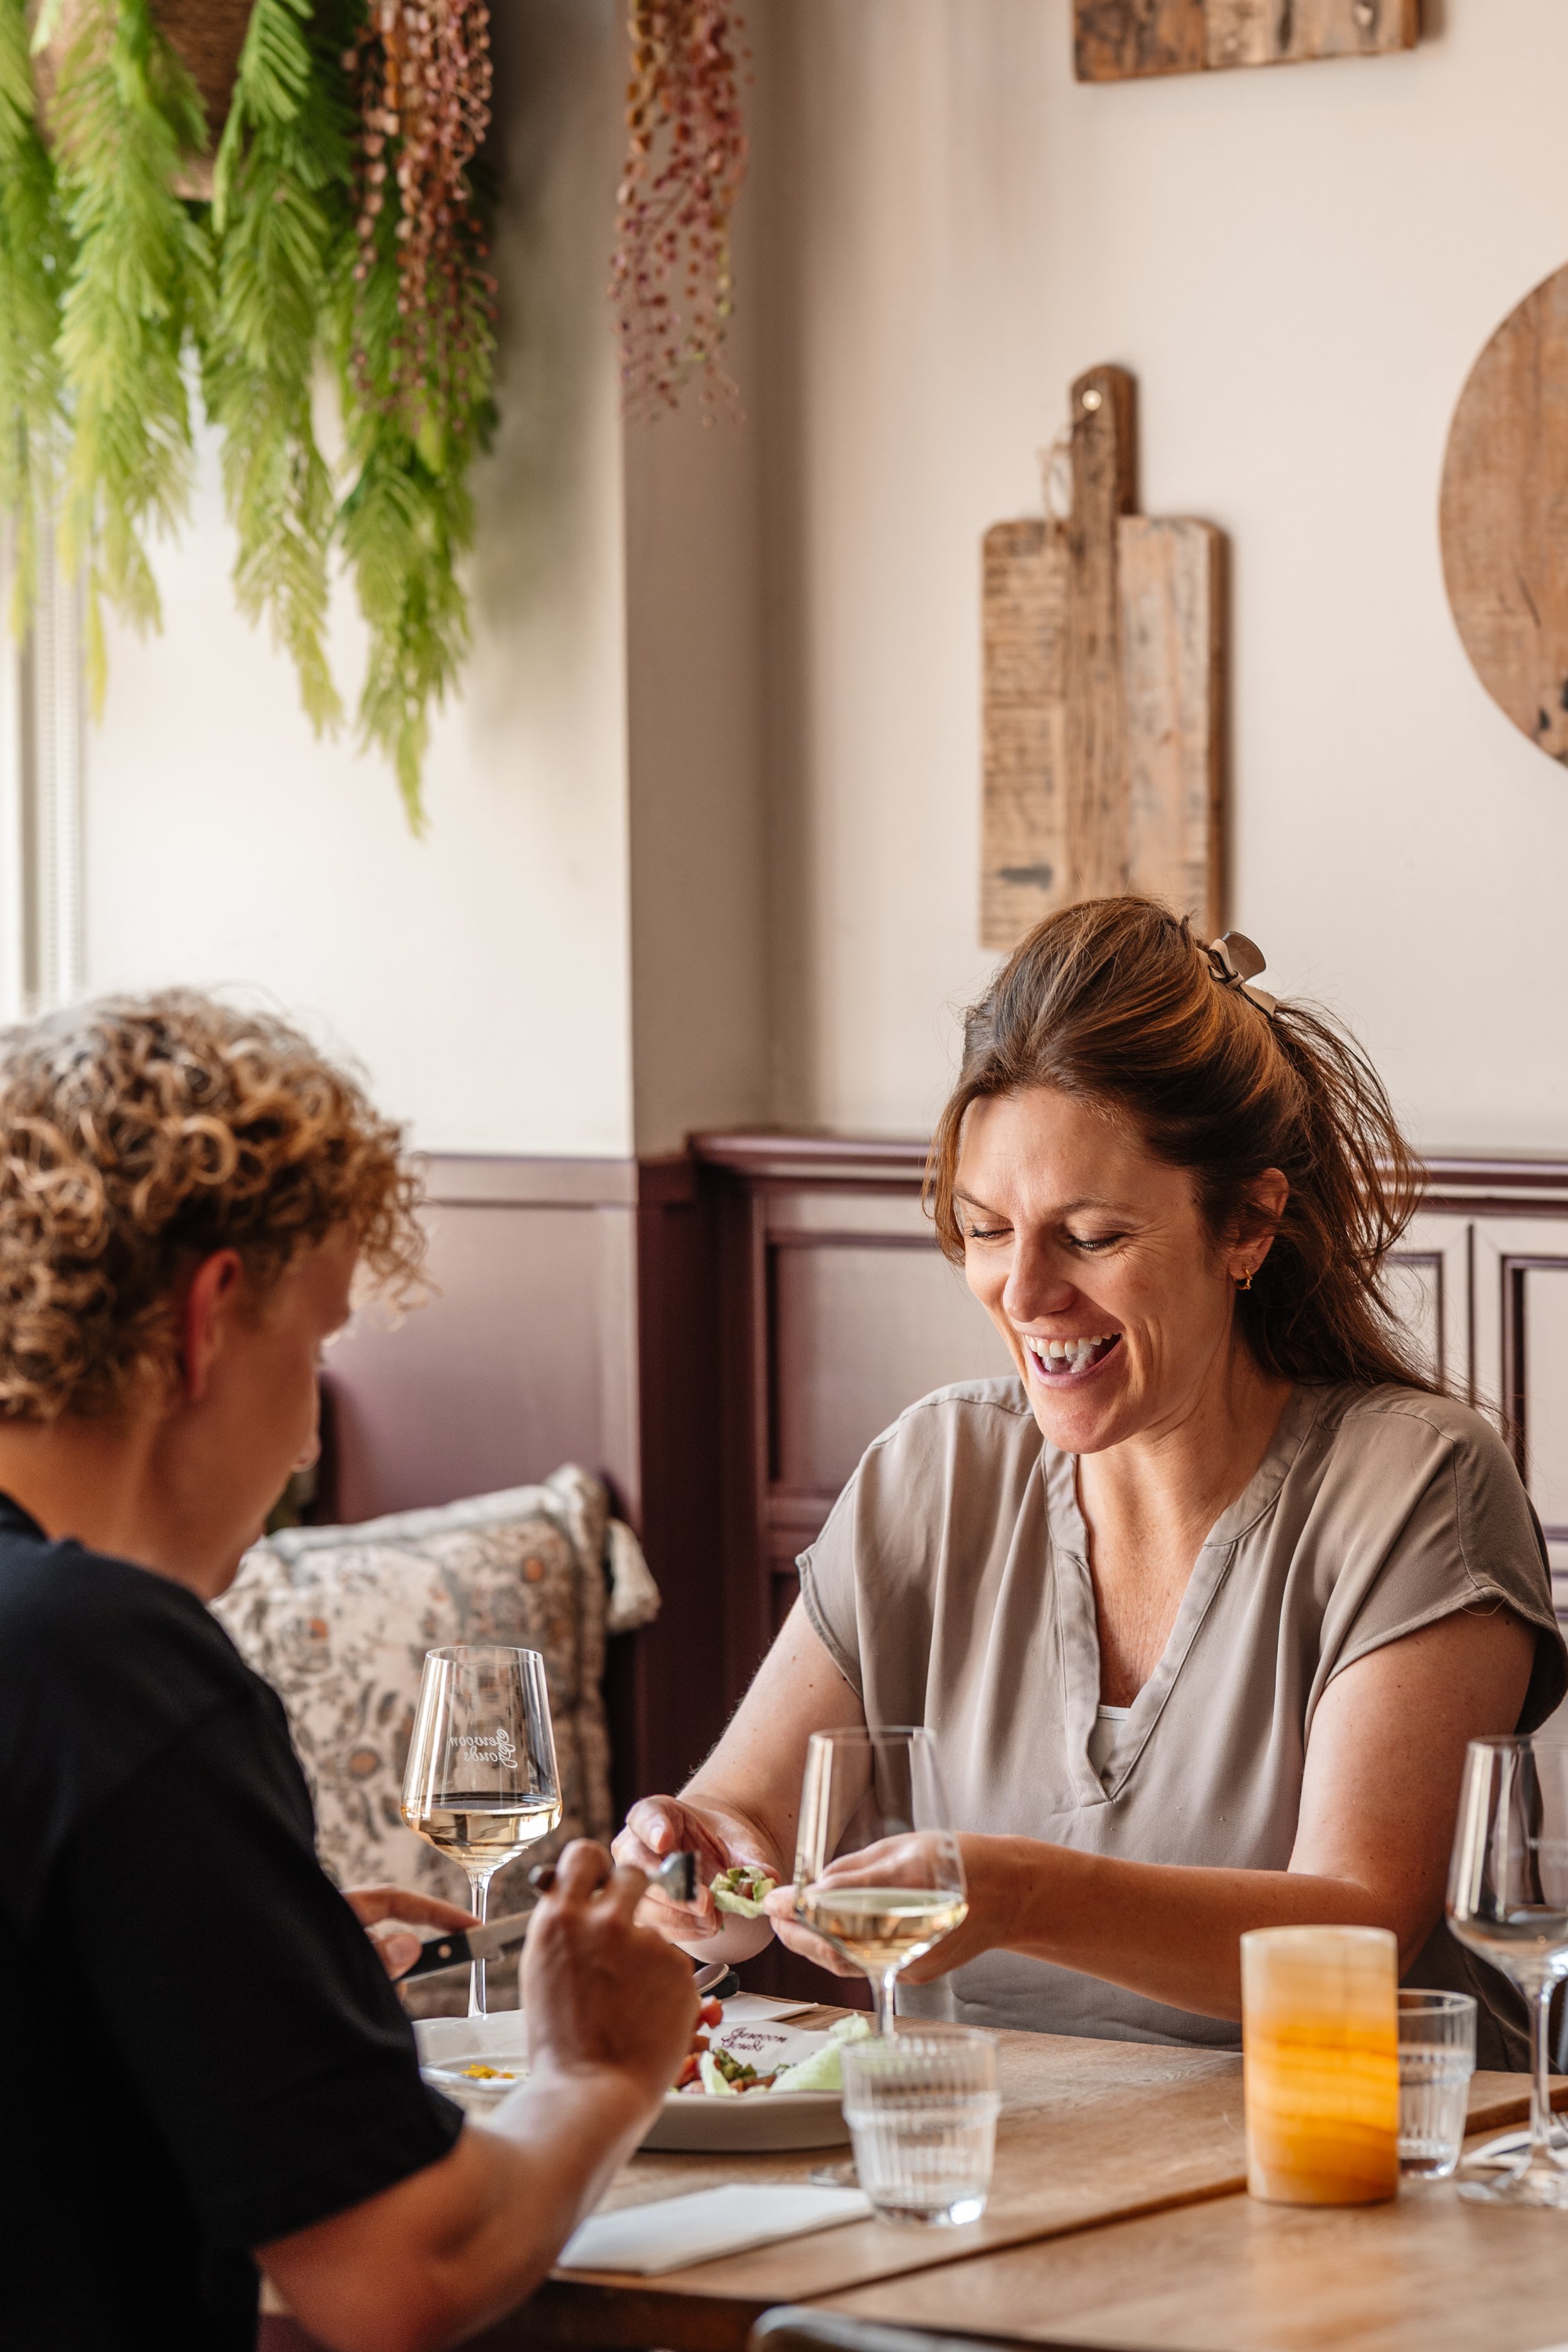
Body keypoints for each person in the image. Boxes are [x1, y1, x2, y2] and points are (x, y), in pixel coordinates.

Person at [617, 898, 1566, 2066]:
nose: (1023, 1293)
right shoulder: (934, 1472)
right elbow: (739, 1813)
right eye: (985, 1228)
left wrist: (1017, 1892)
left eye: (1093, 1236)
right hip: (980, 2180)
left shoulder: (1418, 1486)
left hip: (1348, 2191)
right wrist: (691, 1855)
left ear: (1250, 1224)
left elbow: (1355, 1932)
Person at [0, 993, 698, 2352]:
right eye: (313, 1349)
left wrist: (247, 1977)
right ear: (207, 1320)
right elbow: (402, 2271)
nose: (306, 1441)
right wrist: (598, 2069)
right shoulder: (108, 1672)